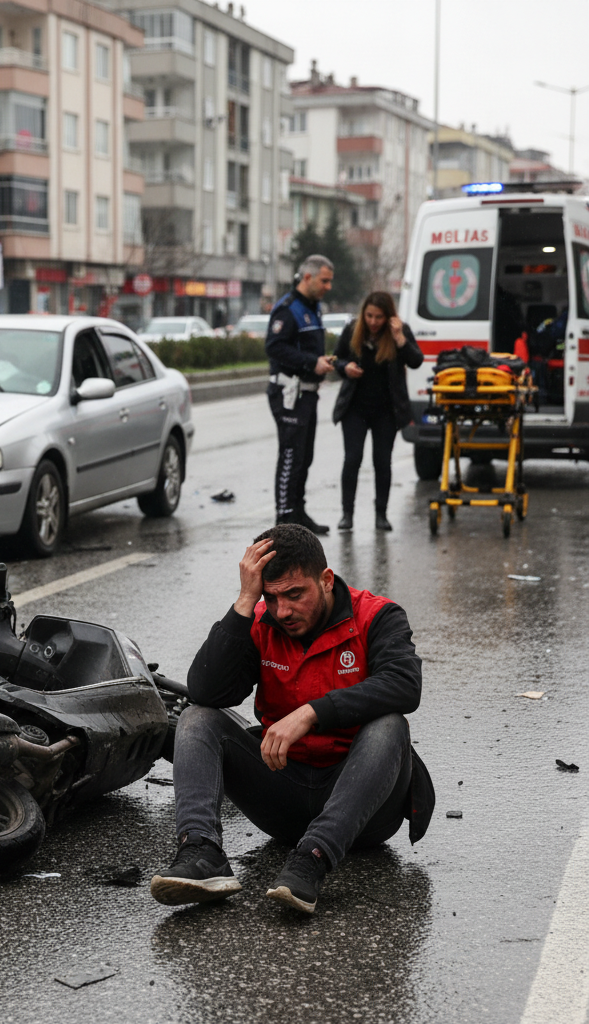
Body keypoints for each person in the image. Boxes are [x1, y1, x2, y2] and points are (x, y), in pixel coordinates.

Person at [150, 524, 433, 914]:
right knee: (196, 719)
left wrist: (312, 713)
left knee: (391, 726)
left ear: (327, 579)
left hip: (365, 808)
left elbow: (405, 686)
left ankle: (311, 861)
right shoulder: (262, 618)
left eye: (295, 594)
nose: (283, 610)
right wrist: (246, 601)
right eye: (272, 596)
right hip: (285, 795)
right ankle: (202, 853)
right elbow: (207, 692)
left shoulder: (377, 616)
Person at [332, 292, 424, 532]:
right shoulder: (353, 330)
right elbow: (337, 358)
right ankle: (347, 514)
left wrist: (399, 338)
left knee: (382, 462)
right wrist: (345, 367)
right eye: (369, 316)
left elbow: (416, 360)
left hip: (386, 410)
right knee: (352, 459)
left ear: (389, 316)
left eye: (379, 317)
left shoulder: (399, 332)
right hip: (355, 408)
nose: (373, 321)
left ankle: (381, 515)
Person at [265, 255, 337, 535]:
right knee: (291, 456)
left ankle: (298, 512)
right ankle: (284, 518)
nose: (328, 286)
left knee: (305, 456)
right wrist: (311, 362)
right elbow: (275, 347)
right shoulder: (287, 309)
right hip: (288, 392)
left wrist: (324, 362)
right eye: (324, 280)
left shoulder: (313, 306)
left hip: (308, 393)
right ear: (307, 278)